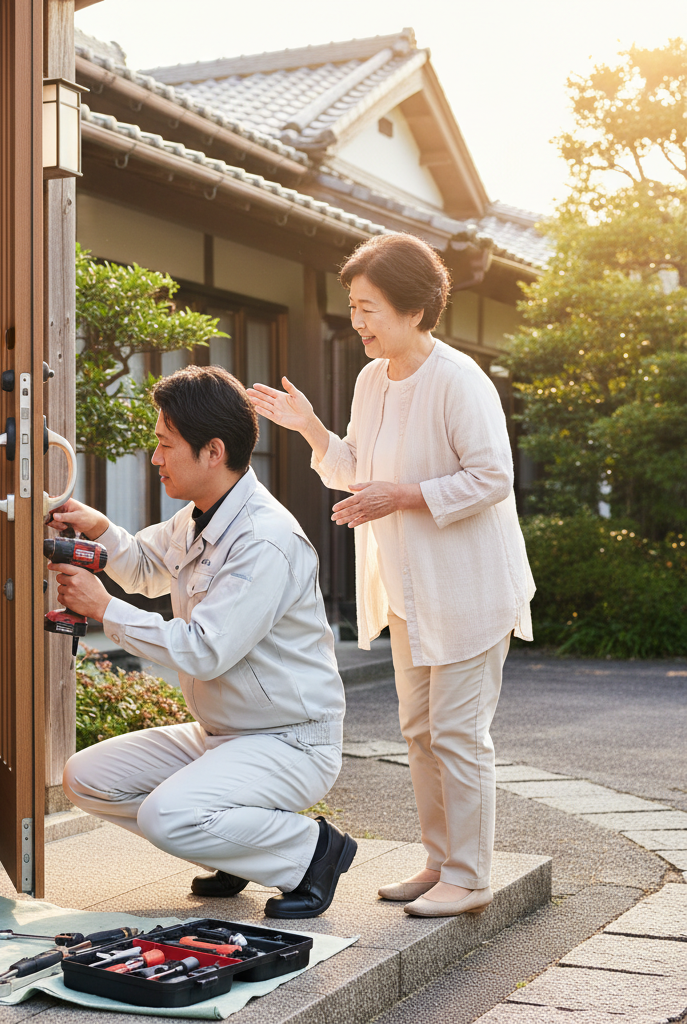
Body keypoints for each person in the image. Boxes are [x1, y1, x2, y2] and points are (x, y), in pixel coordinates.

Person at [248, 233, 534, 918]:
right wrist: (312, 428)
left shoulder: (460, 379)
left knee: (459, 733)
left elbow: (492, 477)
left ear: (413, 308)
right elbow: (357, 468)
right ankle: (441, 863)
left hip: (468, 588)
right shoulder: (372, 379)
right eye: (353, 306)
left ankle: (470, 875)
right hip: (407, 588)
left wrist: (399, 496)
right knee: (419, 731)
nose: (358, 321)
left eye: (368, 307)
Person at [52, 364, 354, 919]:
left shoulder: (265, 540)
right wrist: (100, 529)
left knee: (166, 815)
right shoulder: (199, 516)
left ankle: (308, 854)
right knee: (85, 779)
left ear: (213, 451)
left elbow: (205, 649)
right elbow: (144, 567)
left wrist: (102, 609)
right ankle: (237, 848)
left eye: (166, 444)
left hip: (290, 741)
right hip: (222, 734)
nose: (155, 457)